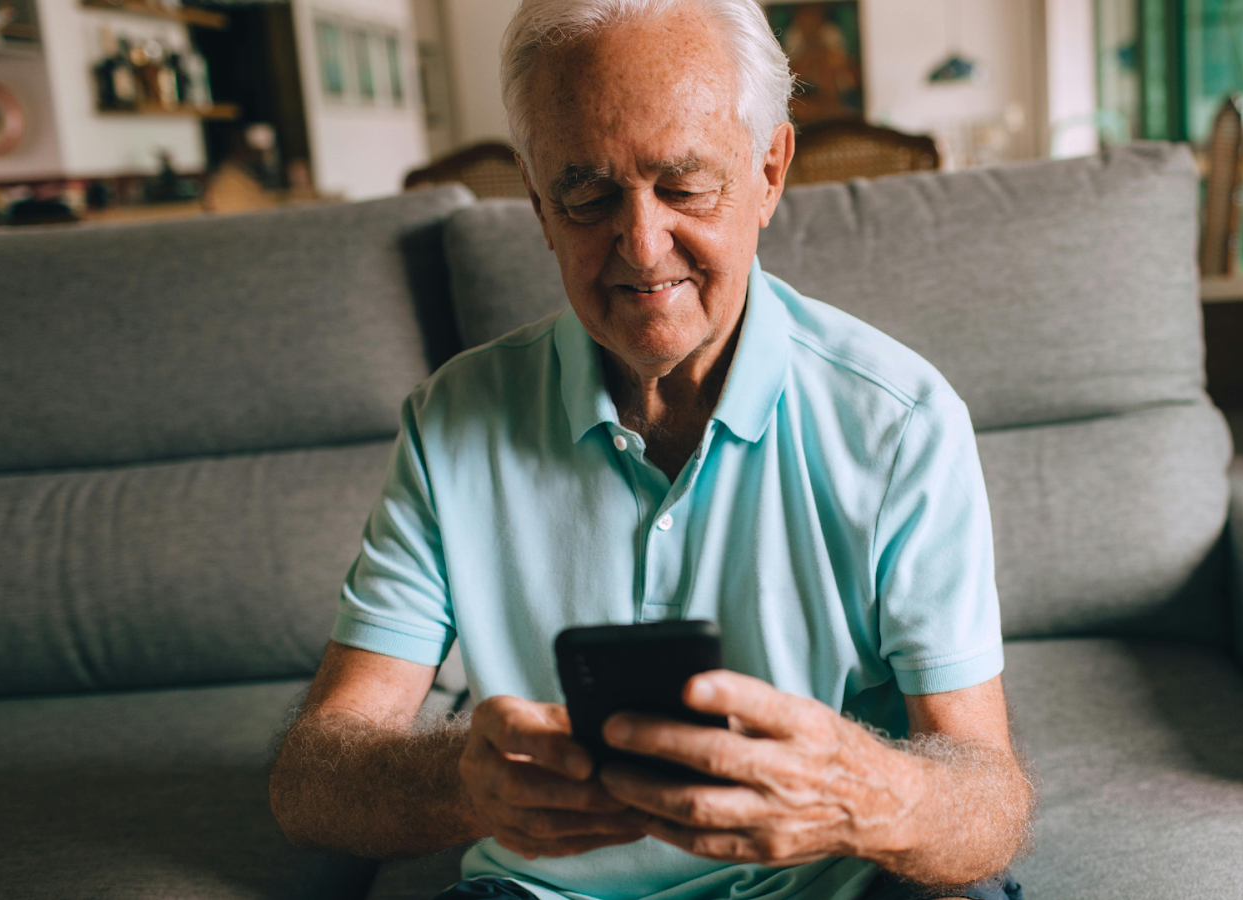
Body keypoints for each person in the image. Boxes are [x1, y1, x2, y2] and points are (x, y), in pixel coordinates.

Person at [268, 1, 1033, 898]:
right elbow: (312, 780)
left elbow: (990, 803)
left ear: (769, 172)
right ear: (539, 205)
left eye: (685, 184)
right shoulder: (452, 423)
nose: (641, 245)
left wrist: (860, 794)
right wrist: (467, 782)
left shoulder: (901, 421)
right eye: (588, 194)